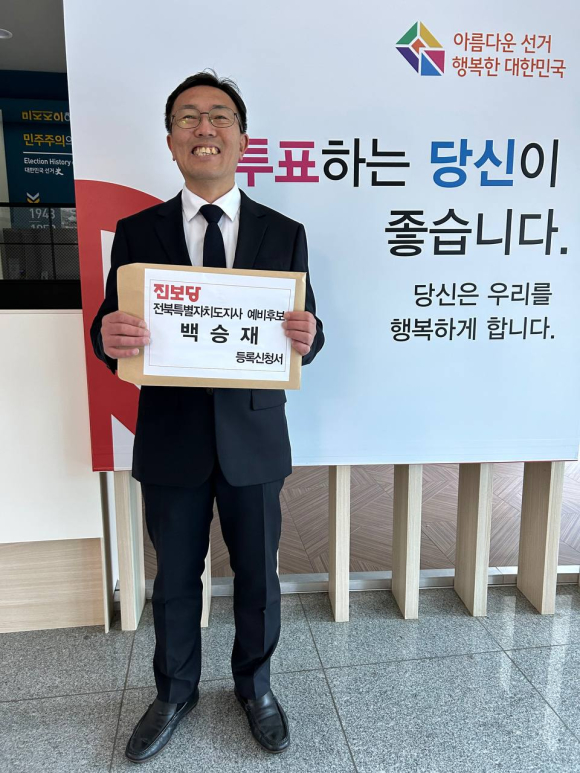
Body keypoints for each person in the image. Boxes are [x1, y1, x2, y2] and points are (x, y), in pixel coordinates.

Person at [90, 70, 324, 763]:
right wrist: (107, 335)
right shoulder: (138, 232)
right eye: (188, 117)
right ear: (171, 141)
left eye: (219, 116)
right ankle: (174, 692)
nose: (204, 128)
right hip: (171, 437)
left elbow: (307, 330)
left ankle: (256, 688)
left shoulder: (285, 233)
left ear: (242, 139)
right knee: (173, 580)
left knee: (259, 578)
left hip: (254, 434)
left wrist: (310, 336)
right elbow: (111, 325)